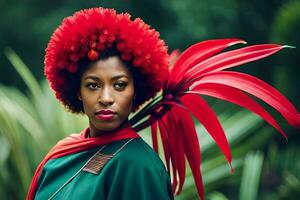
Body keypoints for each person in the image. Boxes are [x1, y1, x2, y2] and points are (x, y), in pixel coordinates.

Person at [28, 7, 300, 200]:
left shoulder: (138, 166)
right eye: (93, 85)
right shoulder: (60, 156)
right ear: (77, 92)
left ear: (136, 91)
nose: (106, 97)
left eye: (120, 84)